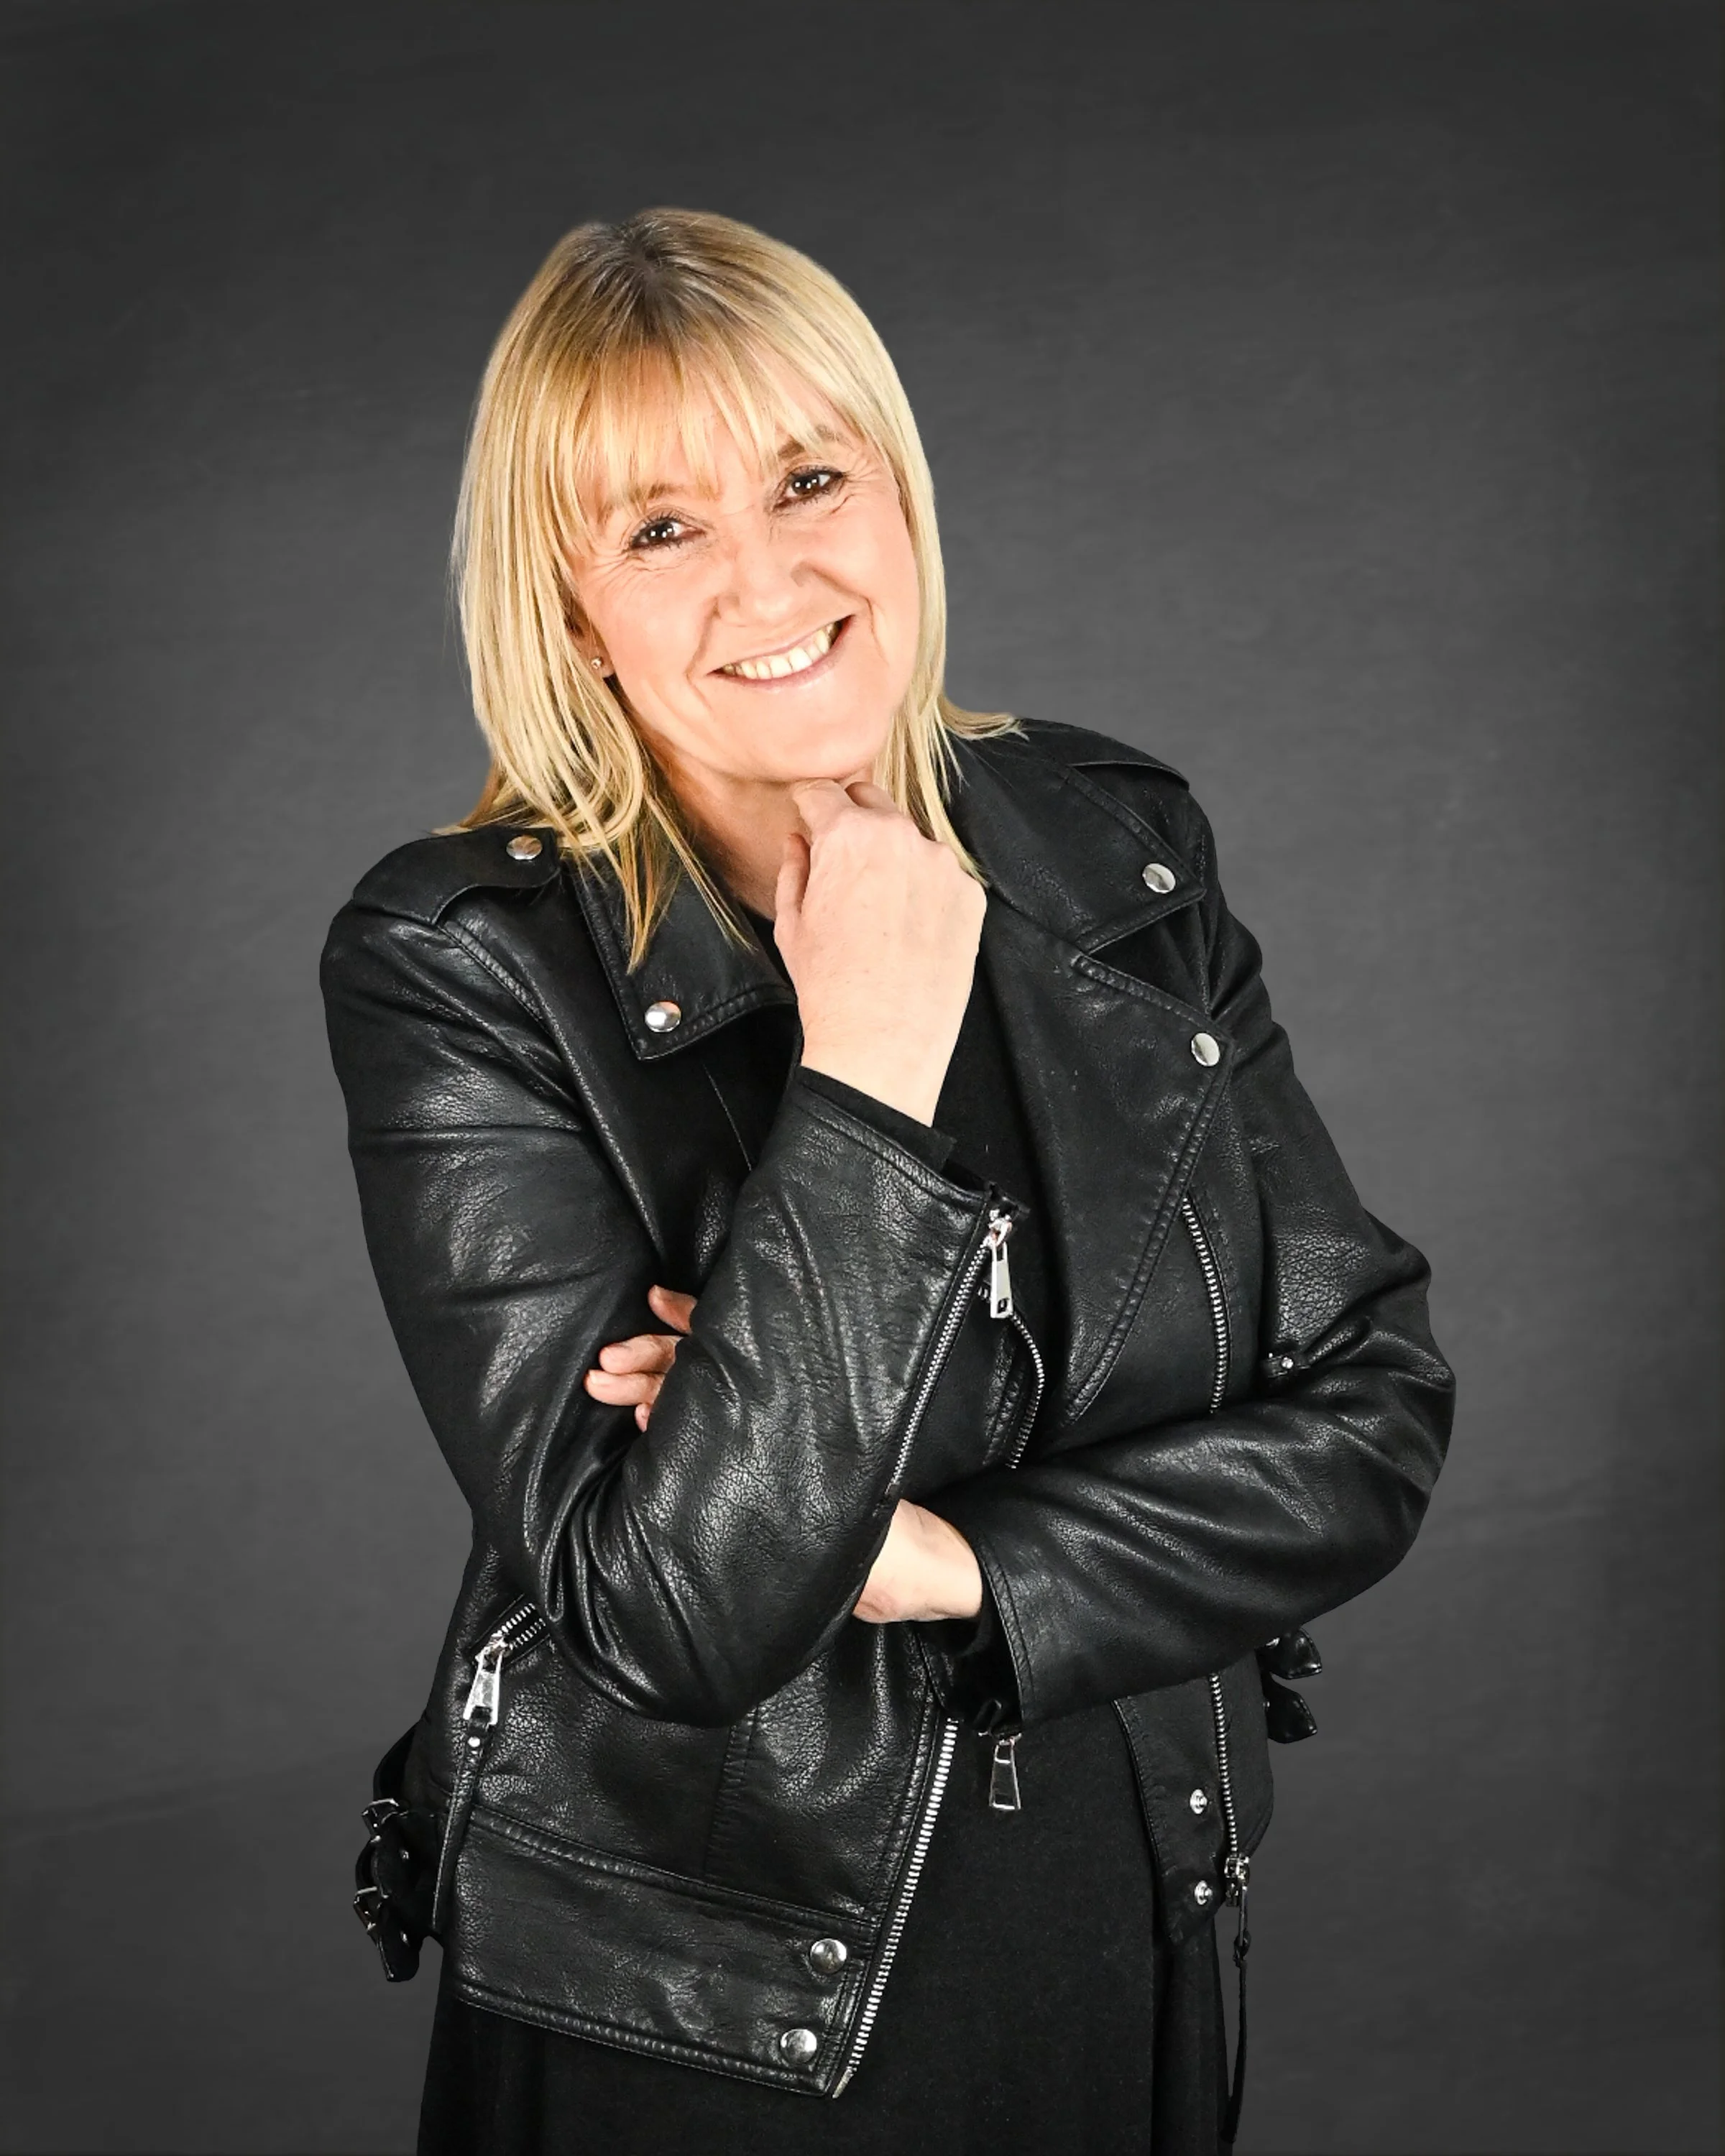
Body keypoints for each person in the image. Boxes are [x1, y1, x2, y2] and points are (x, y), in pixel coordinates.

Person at [321, 209, 1455, 2156]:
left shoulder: (1115, 849)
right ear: (571, 598)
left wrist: (948, 1559)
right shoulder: (466, 961)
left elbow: (1366, 1424)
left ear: (901, 495)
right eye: (663, 527)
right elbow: (675, 1616)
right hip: (706, 2008)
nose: (771, 574)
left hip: (1135, 1921)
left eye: (811, 477)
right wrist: (861, 1061)